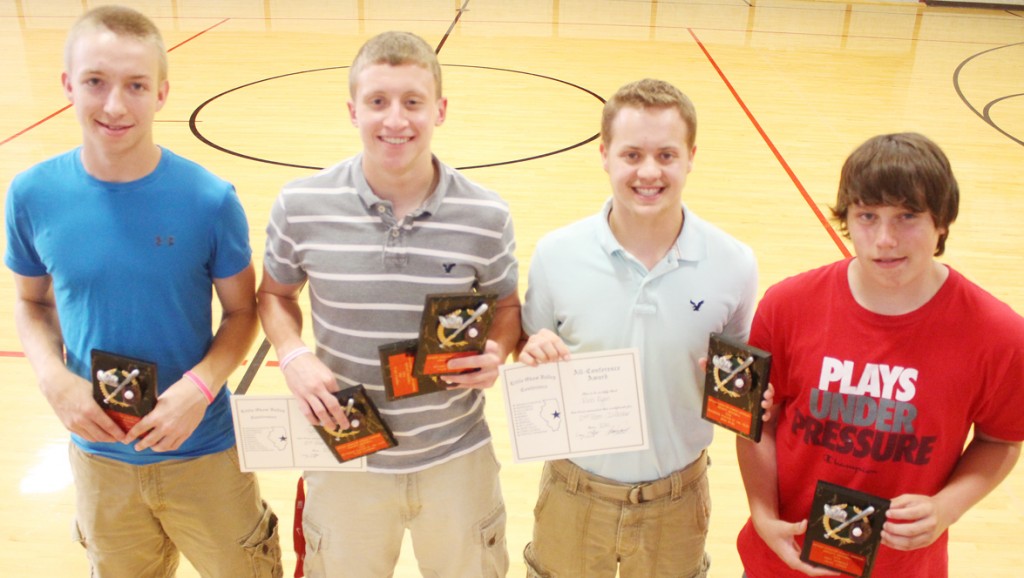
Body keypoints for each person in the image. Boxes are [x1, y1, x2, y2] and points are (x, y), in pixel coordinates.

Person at [4, 5, 282, 577]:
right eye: (95, 83)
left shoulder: (209, 199)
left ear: (161, 93)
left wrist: (200, 389)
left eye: (135, 85)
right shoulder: (31, 195)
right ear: (67, 85)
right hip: (98, 460)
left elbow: (240, 314)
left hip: (203, 450)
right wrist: (53, 379)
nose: (113, 105)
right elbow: (31, 302)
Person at [257, 31, 520, 577]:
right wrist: (292, 355)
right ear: (353, 109)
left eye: (412, 102)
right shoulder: (301, 205)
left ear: (440, 110)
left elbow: (507, 306)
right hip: (346, 450)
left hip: (455, 453)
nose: (395, 120)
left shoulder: (486, 216)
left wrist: (496, 350)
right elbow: (275, 294)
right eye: (378, 101)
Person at [735, 132, 1024, 578]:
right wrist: (762, 513)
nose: (885, 239)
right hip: (785, 558)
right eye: (867, 216)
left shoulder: (998, 334)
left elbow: (1001, 440)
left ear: (942, 222)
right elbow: (757, 423)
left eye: (907, 216)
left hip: (904, 568)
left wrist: (947, 507)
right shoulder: (786, 305)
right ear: (847, 217)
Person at [518, 78, 759, 577]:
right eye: (632, 155)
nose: (649, 171)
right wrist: (531, 351)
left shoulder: (734, 263)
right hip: (572, 493)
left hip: (678, 500)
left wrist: (751, 396)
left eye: (666, 155)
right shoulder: (556, 254)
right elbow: (530, 350)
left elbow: (741, 387)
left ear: (691, 156)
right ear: (604, 155)